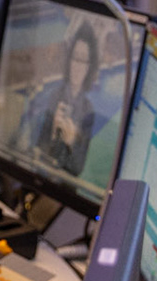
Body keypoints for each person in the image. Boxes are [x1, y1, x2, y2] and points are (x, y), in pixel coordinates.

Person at [18, 23, 103, 177]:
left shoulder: (88, 110)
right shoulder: (52, 96)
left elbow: (77, 169)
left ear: (89, 66)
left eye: (83, 60)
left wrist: (71, 143)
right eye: (75, 57)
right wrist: (52, 133)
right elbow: (33, 151)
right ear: (69, 60)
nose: (78, 66)